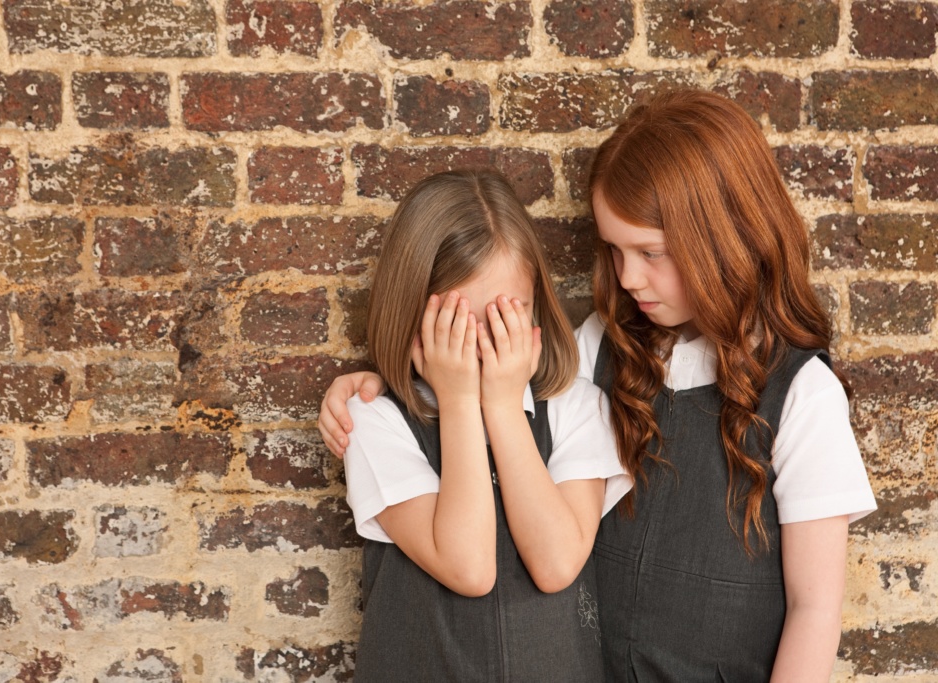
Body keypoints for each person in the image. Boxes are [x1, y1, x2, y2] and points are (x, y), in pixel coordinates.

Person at [319, 90, 876, 682]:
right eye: (614, 250)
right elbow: (510, 391)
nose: (629, 276)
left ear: (728, 237)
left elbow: (815, 608)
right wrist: (385, 380)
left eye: (651, 252)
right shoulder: (598, 349)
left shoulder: (803, 395)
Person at [343, 169, 629, 682]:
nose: (481, 341)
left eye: (506, 314)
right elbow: (469, 567)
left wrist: (500, 407)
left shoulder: (577, 407)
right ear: (412, 312)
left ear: (535, 304)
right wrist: (457, 403)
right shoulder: (376, 423)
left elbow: (557, 563)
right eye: (457, 321)